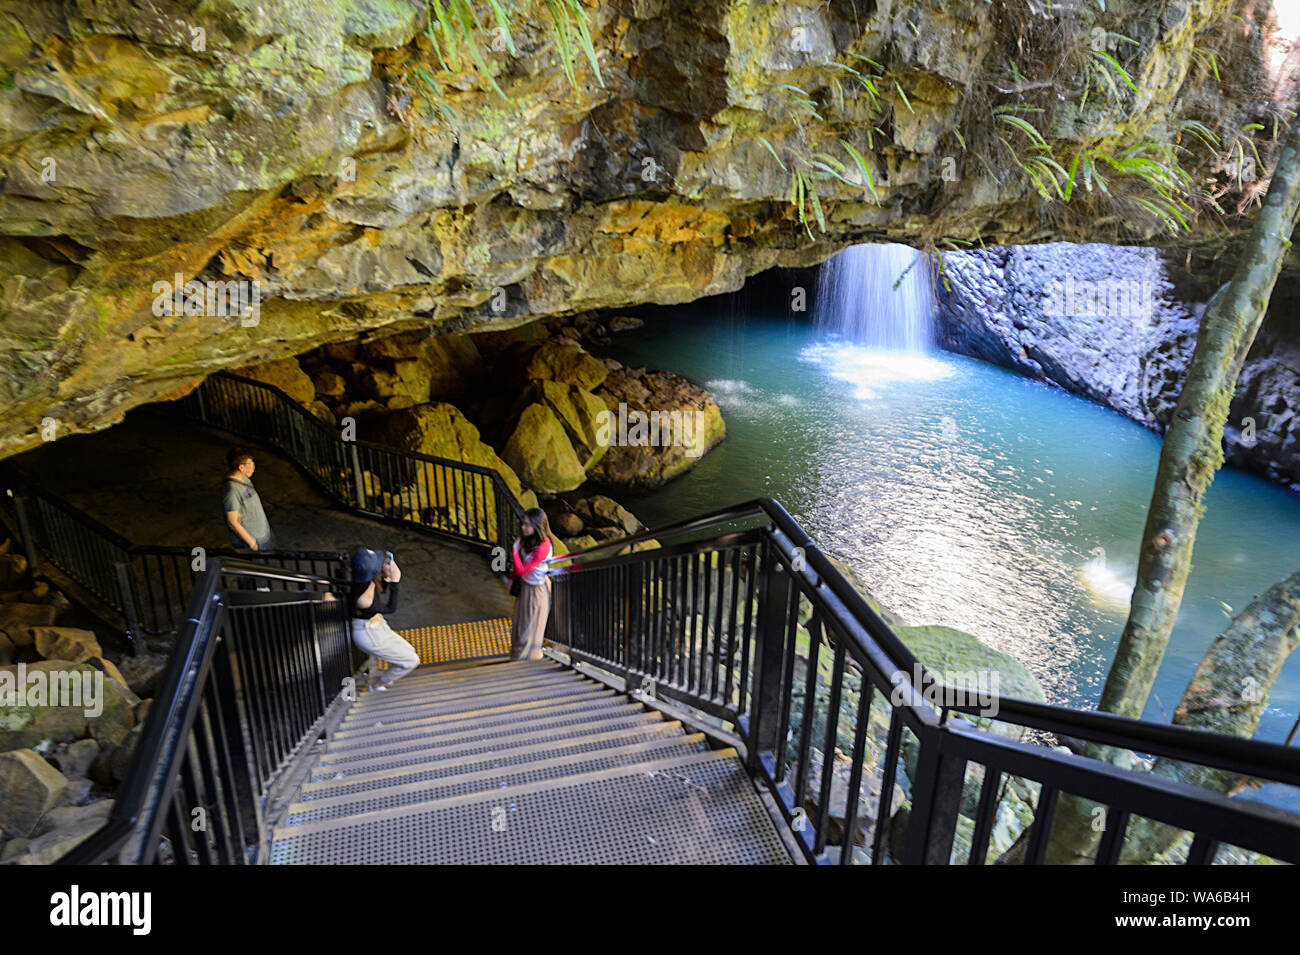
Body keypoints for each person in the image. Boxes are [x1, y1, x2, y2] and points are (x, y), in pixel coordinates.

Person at [348, 548, 419, 691]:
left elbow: (380, 593)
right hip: (368, 634)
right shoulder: (362, 600)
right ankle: (378, 684)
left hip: (377, 625)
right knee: (411, 661)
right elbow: (390, 608)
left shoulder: (364, 580)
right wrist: (395, 581)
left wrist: (386, 577)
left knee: (410, 651)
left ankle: (385, 677)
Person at [510, 508, 554, 662]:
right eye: (523, 524)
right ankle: (517, 658)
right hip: (525, 587)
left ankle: (524, 663)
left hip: (536, 591)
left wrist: (514, 551)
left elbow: (522, 570)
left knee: (528, 630)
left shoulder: (544, 546)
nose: (523, 527)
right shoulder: (529, 540)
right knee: (520, 625)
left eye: (527, 525)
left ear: (537, 527)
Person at [222, 447, 274, 552]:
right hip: (254, 541)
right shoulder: (232, 490)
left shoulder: (244, 479)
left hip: (262, 534)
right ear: (241, 467)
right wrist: (252, 542)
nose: (254, 466)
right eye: (251, 463)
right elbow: (232, 521)